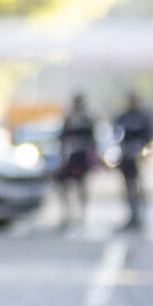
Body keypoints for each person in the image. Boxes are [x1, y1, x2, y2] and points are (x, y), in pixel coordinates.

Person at [112, 94, 153, 233]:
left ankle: (140, 215)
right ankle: (131, 215)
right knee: (128, 187)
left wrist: (142, 149)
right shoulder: (123, 118)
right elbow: (117, 134)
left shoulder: (142, 117)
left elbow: (149, 135)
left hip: (138, 156)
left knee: (138, 187)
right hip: (126, 157)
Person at [54, 94, 96, 229]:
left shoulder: (87, 120)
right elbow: (62, 138)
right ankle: (67, 214)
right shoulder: (69, 119)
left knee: (81, 186)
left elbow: (92, 141)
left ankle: (82, 215)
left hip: (81, 157)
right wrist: (62, 157)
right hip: (69, 156)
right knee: (62, 185)